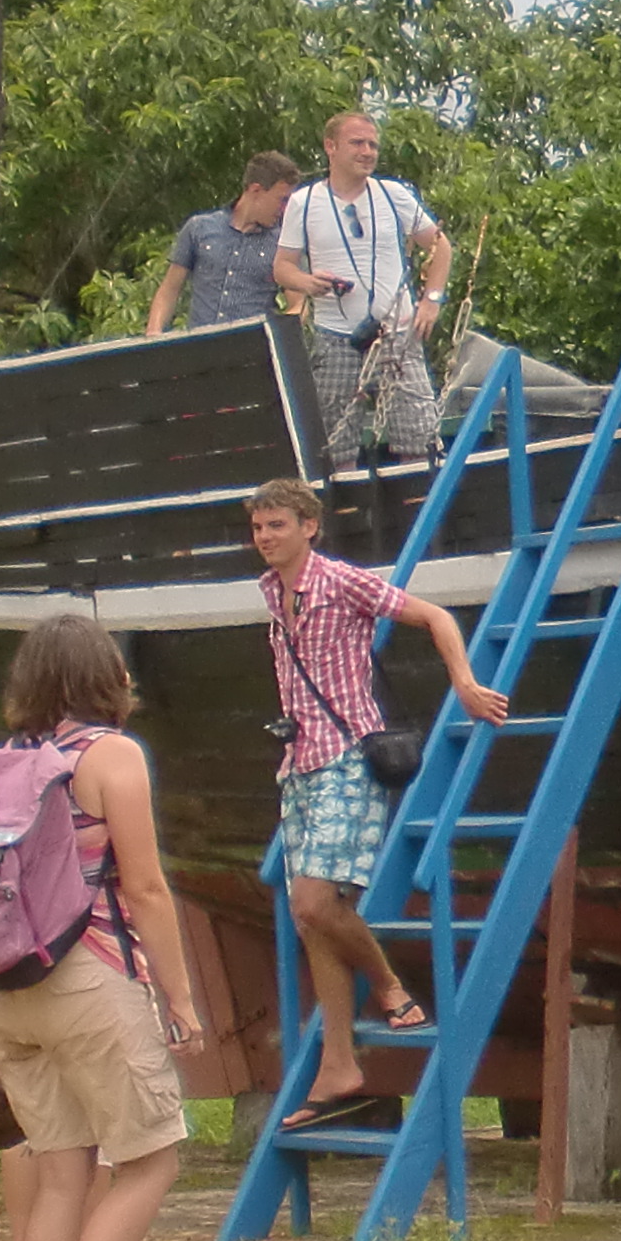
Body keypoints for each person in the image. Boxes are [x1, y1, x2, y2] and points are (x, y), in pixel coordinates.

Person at [0, 614, 211, 1241]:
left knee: (61, 1173)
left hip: (10, 992)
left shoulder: (1, 761)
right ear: (107, 677)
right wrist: (178, 995)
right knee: (151, 1158)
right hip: (90, 980)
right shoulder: (110, 756)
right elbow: (142, 887)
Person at [247, 476, 509, 1122]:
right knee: (312, 916)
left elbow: (433, 616)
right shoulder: (271, 594)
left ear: (309, 527)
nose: (265, 538)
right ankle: (339, 1063)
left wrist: (466, 683)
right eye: (257, 528)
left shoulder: (339, 580)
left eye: (276, 525)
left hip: (347, 756)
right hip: (299, 766)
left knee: (313, 899)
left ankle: (390, 986)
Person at [271, 112, 454, 465]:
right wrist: (309, 283)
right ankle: (342, 517)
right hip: (336, 336)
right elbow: (282, 267)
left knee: (420, 441)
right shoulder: (304, 202)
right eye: (357, 143)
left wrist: (432, 300)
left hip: (397, 332)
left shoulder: (393, 194)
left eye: (372, 144)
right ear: (331, 147)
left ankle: (417, 516)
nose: (367, 151)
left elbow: (439, 246)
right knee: (334, 449)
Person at [146, 151, 301, 334]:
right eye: (281, 200)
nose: (285, 209)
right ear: (256, 190)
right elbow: (169, 290)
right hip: (200, 347)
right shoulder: (199, 228)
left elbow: (298, 304)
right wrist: (154, 333)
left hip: (251, 350)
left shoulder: (283, 243)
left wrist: (278, 336)